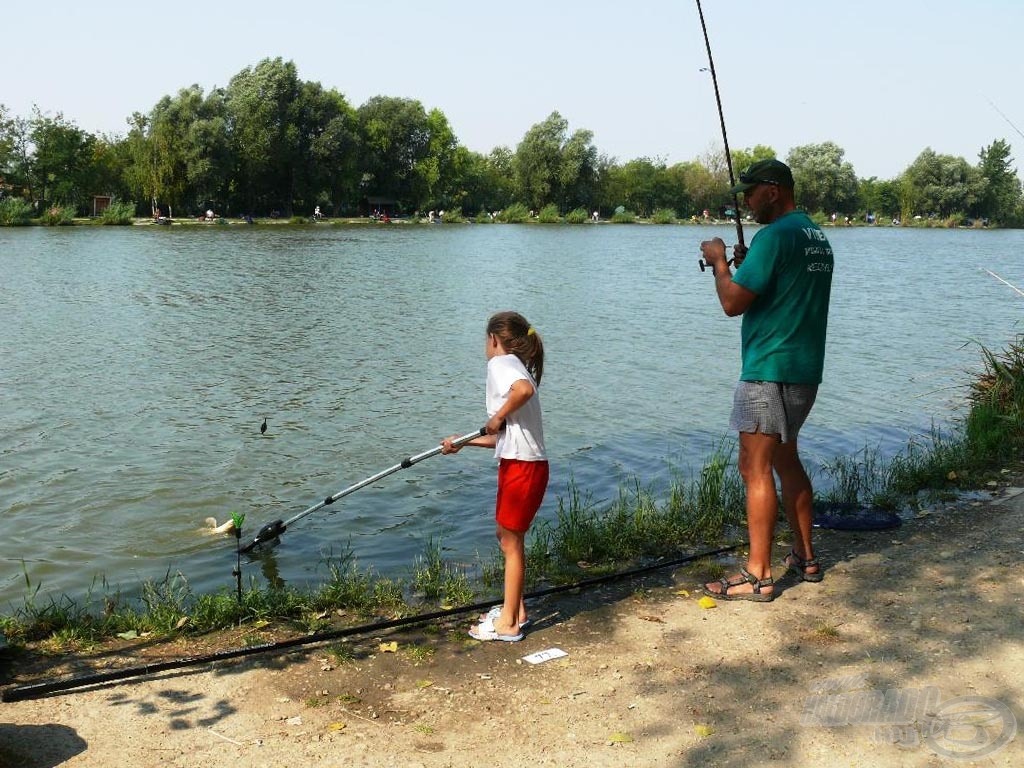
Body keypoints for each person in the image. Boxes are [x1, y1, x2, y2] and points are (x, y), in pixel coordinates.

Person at [698, 158, 834, 602]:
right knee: (786, 459)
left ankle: (757, 575)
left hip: (767, 371)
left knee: (753, 467)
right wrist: (751, 262)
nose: (749, 202)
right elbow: (785, 286)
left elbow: (733, 302)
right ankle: (805, 555)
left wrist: (720, 263)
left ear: (773, 191)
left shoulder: (773, 236)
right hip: (804, 371)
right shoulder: (815, 235)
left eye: (752, 193)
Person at [442, 311, 548, 641]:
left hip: (523, 467)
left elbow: (522, 394)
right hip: (522, 463)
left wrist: (499, 413)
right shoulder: (516, 365)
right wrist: (462, 443)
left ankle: (509, 626)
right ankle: (515, 611)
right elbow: (503, 434)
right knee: (507, 537)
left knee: (511, 543)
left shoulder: (501, 365)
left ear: (493, 340)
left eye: (484, 342)